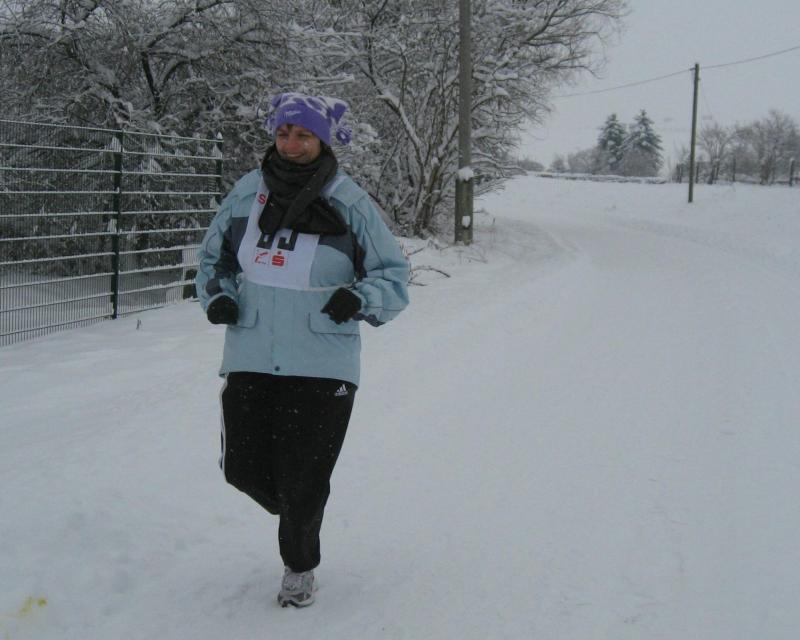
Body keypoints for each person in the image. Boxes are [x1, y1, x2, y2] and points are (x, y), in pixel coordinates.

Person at [195, 93, 410, 608]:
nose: (291, 144)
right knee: (242, 468)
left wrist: (360, 298)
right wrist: (218, 295)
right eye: (283, 133)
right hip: (251, 353)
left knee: (305, 475)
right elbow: (213, 261)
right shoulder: (247, 194)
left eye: (303, 135)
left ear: (322, 140)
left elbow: (393, 276)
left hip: (322, 361)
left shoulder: (348, 201)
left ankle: (299, 565)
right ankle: (296, 503)